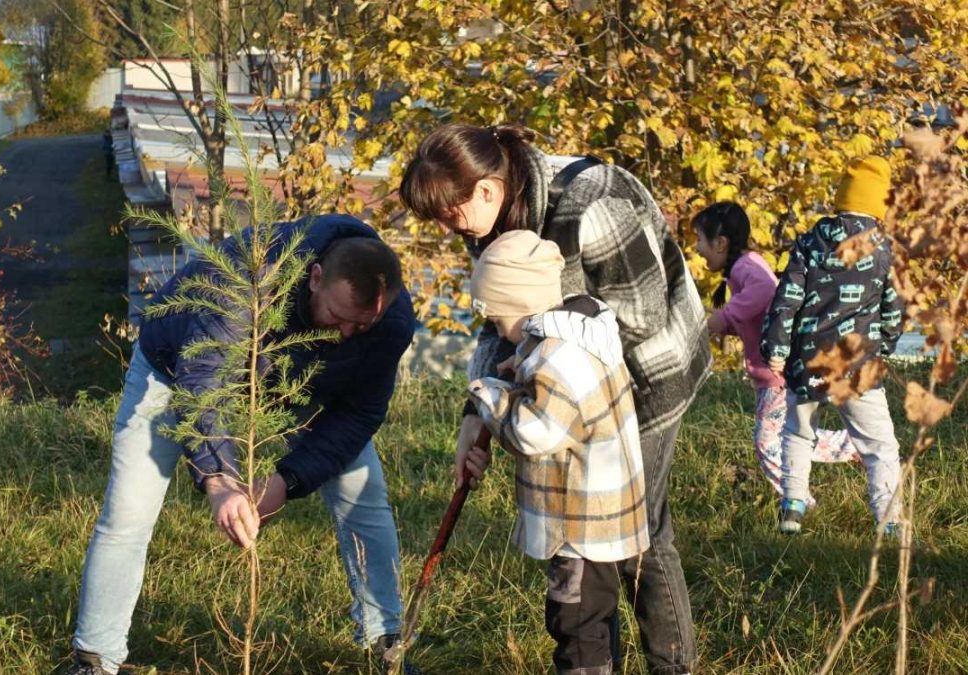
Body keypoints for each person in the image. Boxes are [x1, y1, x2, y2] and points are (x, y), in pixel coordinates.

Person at [401, 123, 710, 675]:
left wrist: (544, 350)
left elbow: (641, 317)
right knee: (590, 541)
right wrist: (477, 414)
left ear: (487, 190)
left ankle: (674, 665)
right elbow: (501, 321)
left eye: (450, 214)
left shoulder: (594, 204)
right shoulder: (490, 221)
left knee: (639, 530)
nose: (450, 229)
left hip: (646, 373)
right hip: (565, 378)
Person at [67, 215, 418, 674]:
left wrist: (285, 482)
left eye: (360, 326)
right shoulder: (250, 282)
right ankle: (95, 656)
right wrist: (221, 480)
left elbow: (357, 416)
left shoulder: (390, 320)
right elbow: (202, 382)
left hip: (297, 385)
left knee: (364, 497)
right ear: (314, 279)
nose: (345, 334)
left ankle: (385, 642)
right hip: (177, 366)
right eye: (337, 318)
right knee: (129, 510)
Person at [465, 230, 649, 675]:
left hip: (580, 524)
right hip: (599, 517)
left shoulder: (558, 359)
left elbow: (535, 433)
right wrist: (524, 363)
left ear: (523, 304)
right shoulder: (578, 333)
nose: (496, 331)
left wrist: (491, 395)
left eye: (497, 319)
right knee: (591, 615)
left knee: (575, 622)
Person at [759, 156, 905, 535]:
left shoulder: (810, 240)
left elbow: (787, 297)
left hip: (807, 362)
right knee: (879, 446)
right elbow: (894, 307)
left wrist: (775, 348)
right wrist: (885, 346)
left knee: (797, 432)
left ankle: (792, 505)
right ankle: (888, 522)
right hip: (857, 367)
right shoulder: (883, 249)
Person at [692, 201, 859, 504]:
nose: (696, 248)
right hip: (773, 373)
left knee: (768, 443)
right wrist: (725, 323)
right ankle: (853, 446)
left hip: (777, 372)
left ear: (720, 242)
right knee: (788, 435)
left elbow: (764, 292)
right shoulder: (742, 267)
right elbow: (758, 315)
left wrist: (725, 316)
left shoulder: (746, 267)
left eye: (699, 240)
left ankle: (800, 501)